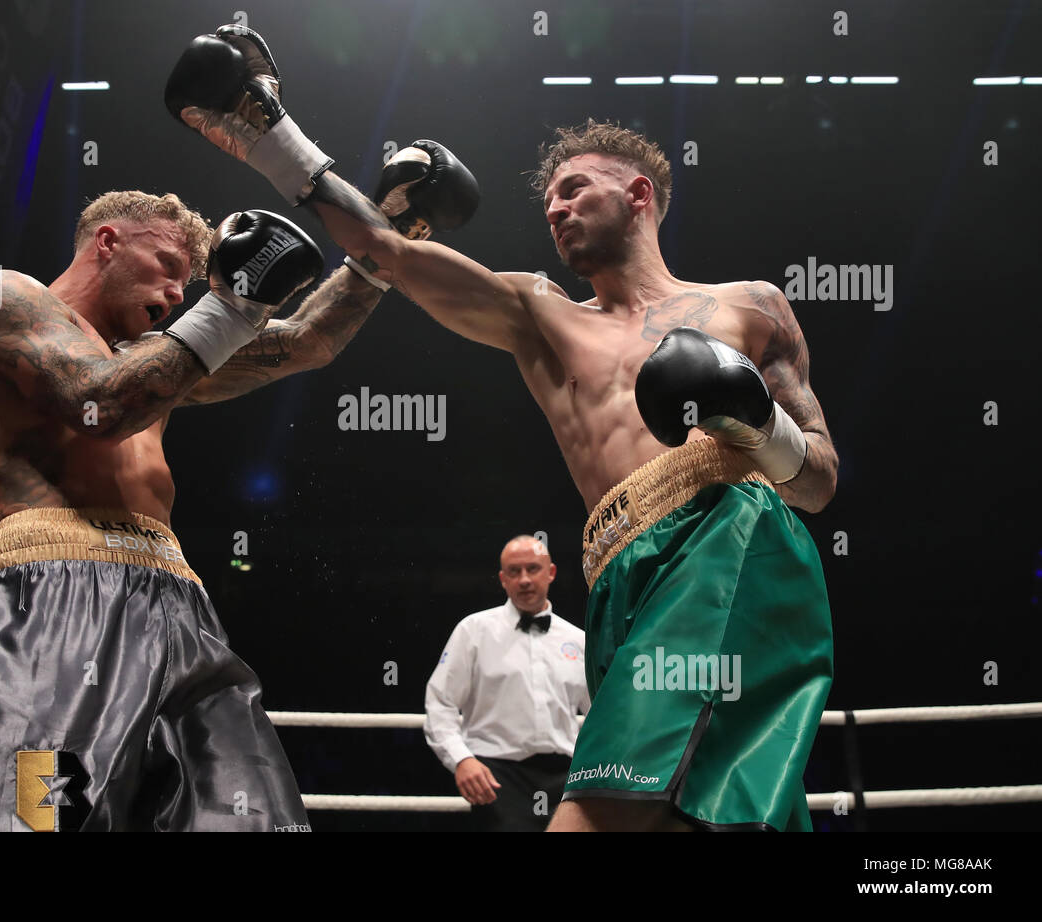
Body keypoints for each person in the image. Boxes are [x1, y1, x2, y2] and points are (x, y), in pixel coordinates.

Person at [169, 25, 836, 831]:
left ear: (639, 195)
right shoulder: (539, 312)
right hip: (621, 570)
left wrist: (758, 424)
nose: (554, 208)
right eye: (547, 198)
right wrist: (270, 136)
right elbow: (385, 248)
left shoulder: (750, 305)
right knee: (711, 818)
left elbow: (820, 483)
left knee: (599, 811)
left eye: (575, 188)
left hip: (729, 540)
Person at [424, 536, 589, 832]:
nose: (524, 579)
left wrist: (594, 768)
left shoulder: (577, 640)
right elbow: (440, 703)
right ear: (503, 579)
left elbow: (601, 713)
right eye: (514, 571)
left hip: (566, 776)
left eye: (532, 569)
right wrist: (461, 759)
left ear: (550, 572)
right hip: (497, 775)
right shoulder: (473, 631)